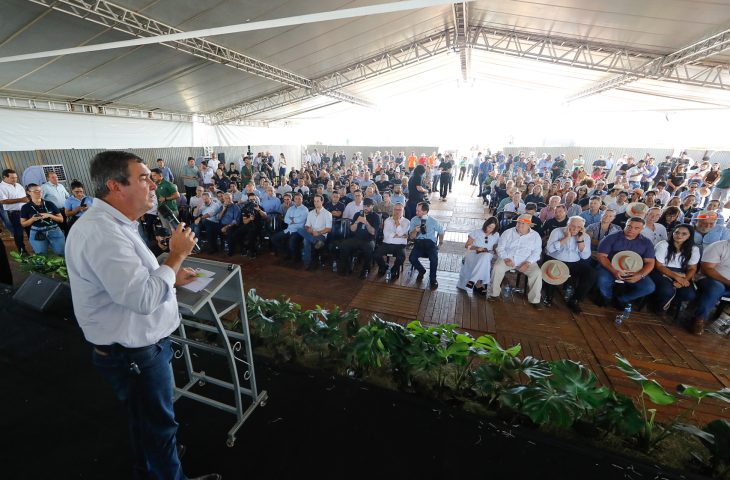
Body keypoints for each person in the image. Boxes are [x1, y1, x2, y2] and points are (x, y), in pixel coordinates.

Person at [64, 151, 219, 480]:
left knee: (146, 422)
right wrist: (176, 256)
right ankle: (165, 469)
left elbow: (131, 282)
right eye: (144, 178)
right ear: (115, 186)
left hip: (134, 350)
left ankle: (154, 465)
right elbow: (142, 298)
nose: (154, 184)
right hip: (133, 355)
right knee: (159, 426)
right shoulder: (102, 233)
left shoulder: (116, 225)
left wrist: (170, 275)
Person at [595, 217, 656, 308]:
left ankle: (623, 299)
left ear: (642, 229)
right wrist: (614, 271)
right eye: (629, 226)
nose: (631, 229)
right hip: (609, 267)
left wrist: (640, 275)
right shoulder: (611, 237)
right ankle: (607, 297)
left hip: (634, 270)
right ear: (625, 225)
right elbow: (601, 256)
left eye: (636, 228)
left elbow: (650, 262)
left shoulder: (646, 242)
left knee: (649, 287)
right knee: (602, 279)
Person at [488, 214, 543, 309]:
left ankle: (535, 300)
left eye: (523, 223)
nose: (519, 225)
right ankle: (494, 294)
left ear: (529, 225)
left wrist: (527, 263)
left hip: (526, 261)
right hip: (508, 259)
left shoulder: (535, 236)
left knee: (537, 273)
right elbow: (500, 248)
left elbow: (537, 252)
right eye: (518, 223)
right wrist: (506, 258)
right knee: (497, 268)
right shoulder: (508, 232)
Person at [544, 216, 595, 312]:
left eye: (579, 227)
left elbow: (585, 256)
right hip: (557, 260)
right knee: (552, 270)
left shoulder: (585, 237)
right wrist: (566, 237)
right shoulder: (557, 231)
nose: (575, 229)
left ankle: (575, 299)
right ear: (568, 224)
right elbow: (549, 249)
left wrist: (580, 241)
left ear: (582, 228)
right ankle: (548, 296)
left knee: (591, 273)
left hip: (574, 262)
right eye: (573, 226)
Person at [650, 224, 698, 315]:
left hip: (682, 273)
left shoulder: (694, 249)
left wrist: (684, 280)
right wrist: (677, 278)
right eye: (677, 232)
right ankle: (659, 308)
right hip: (662, 270)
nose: (679, 235)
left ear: (689, 236)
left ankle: (673, 303)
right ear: (673, 233)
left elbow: (692, 268)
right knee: (667, 290)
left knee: (689, 294)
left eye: (684, 234)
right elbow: (659, 266)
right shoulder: (663, 245)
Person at [693, 239, 730, 335]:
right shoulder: (718, 246)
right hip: (711, 279)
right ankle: (699, 319)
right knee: (716, 288)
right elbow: (707, 269)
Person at [340, 198, 381, 279]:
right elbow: (352, 229)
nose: (366, 208)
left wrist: (366, 223)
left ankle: (365, 270)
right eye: (364, 206)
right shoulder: (357, 214)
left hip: (369, 240)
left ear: (372, 206)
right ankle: (346, 267)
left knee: (369, 248)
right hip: (357, 238)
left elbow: (373, 232)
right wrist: (357, 221)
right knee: (344, 244)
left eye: (368, 206)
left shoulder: (375, 216)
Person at [457, 217, 500, 295]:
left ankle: (473, 281)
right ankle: (478, 283)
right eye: (489, 227)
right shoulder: (476, 232)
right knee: (485, 260)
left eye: (492, 228)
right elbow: (467, 245)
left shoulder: (496, 235)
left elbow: (495, 247)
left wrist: (495, 250)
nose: (490, 229)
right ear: (486, 225)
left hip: (487, 255)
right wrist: (477, 248)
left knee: (486, 256)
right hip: (473, 253)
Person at [20, 183, 66, 255]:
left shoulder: (49, 203)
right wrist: (32, 219)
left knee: (62, 253)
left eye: (40, 191)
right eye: (35, 191)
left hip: (54, 230)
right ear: (28, 192)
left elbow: (61, 219)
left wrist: (49, 215)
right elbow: (23, 224)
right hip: (37, 232)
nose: (39, 193)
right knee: (41, 256)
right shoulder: (26, 207)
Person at [408, 201, 445, 289]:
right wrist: (415, 231)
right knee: (412, 258)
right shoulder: (414, 220)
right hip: (419, 242)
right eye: (416, 210)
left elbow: (441, 231)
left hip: (430, 243)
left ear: (425, 211)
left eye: (418, 211)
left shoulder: (433, 221)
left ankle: (433, 278)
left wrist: (440, 242)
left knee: (434, 259)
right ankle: (421, 270)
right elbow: (411, 237)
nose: (416, 212)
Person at [374, 202, 410, 280]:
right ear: (393, 210)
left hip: (400, 245)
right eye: (395, 209)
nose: (397, 211)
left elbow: (400, 233)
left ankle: (394, 269)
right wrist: (399, 236)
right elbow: (386, 234)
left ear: (403, 211)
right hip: (387, 243)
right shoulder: (387, 220)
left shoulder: (406, 221)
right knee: (376, 254)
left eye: (399, 210)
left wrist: (397, 222)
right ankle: (383, 266)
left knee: (401, 257)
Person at [300, 194, 333, 270]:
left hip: (321, 235)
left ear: (322, 202)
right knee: (299, 229)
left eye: (318, 201)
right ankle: (315, 241)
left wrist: (318, 233)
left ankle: (307, 263)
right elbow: (307, 225)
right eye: (314, 201)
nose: (315, 203)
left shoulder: (327, 213)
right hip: (311, 234)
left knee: (306, 240)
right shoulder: (310, 213)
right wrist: (308, 229)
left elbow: (329, 229)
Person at [0, 169, 29, 253]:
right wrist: (21, 200)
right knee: (18, 233)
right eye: (12, 178)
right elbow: (2, 201)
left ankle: (36, 248)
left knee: (30, 230)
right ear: (4, 177)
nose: (15, 179)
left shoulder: (18, 185)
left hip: (25, 211)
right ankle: (22, 251)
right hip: (14, 213)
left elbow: (25, 198)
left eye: (16, 177)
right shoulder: (1, 187)